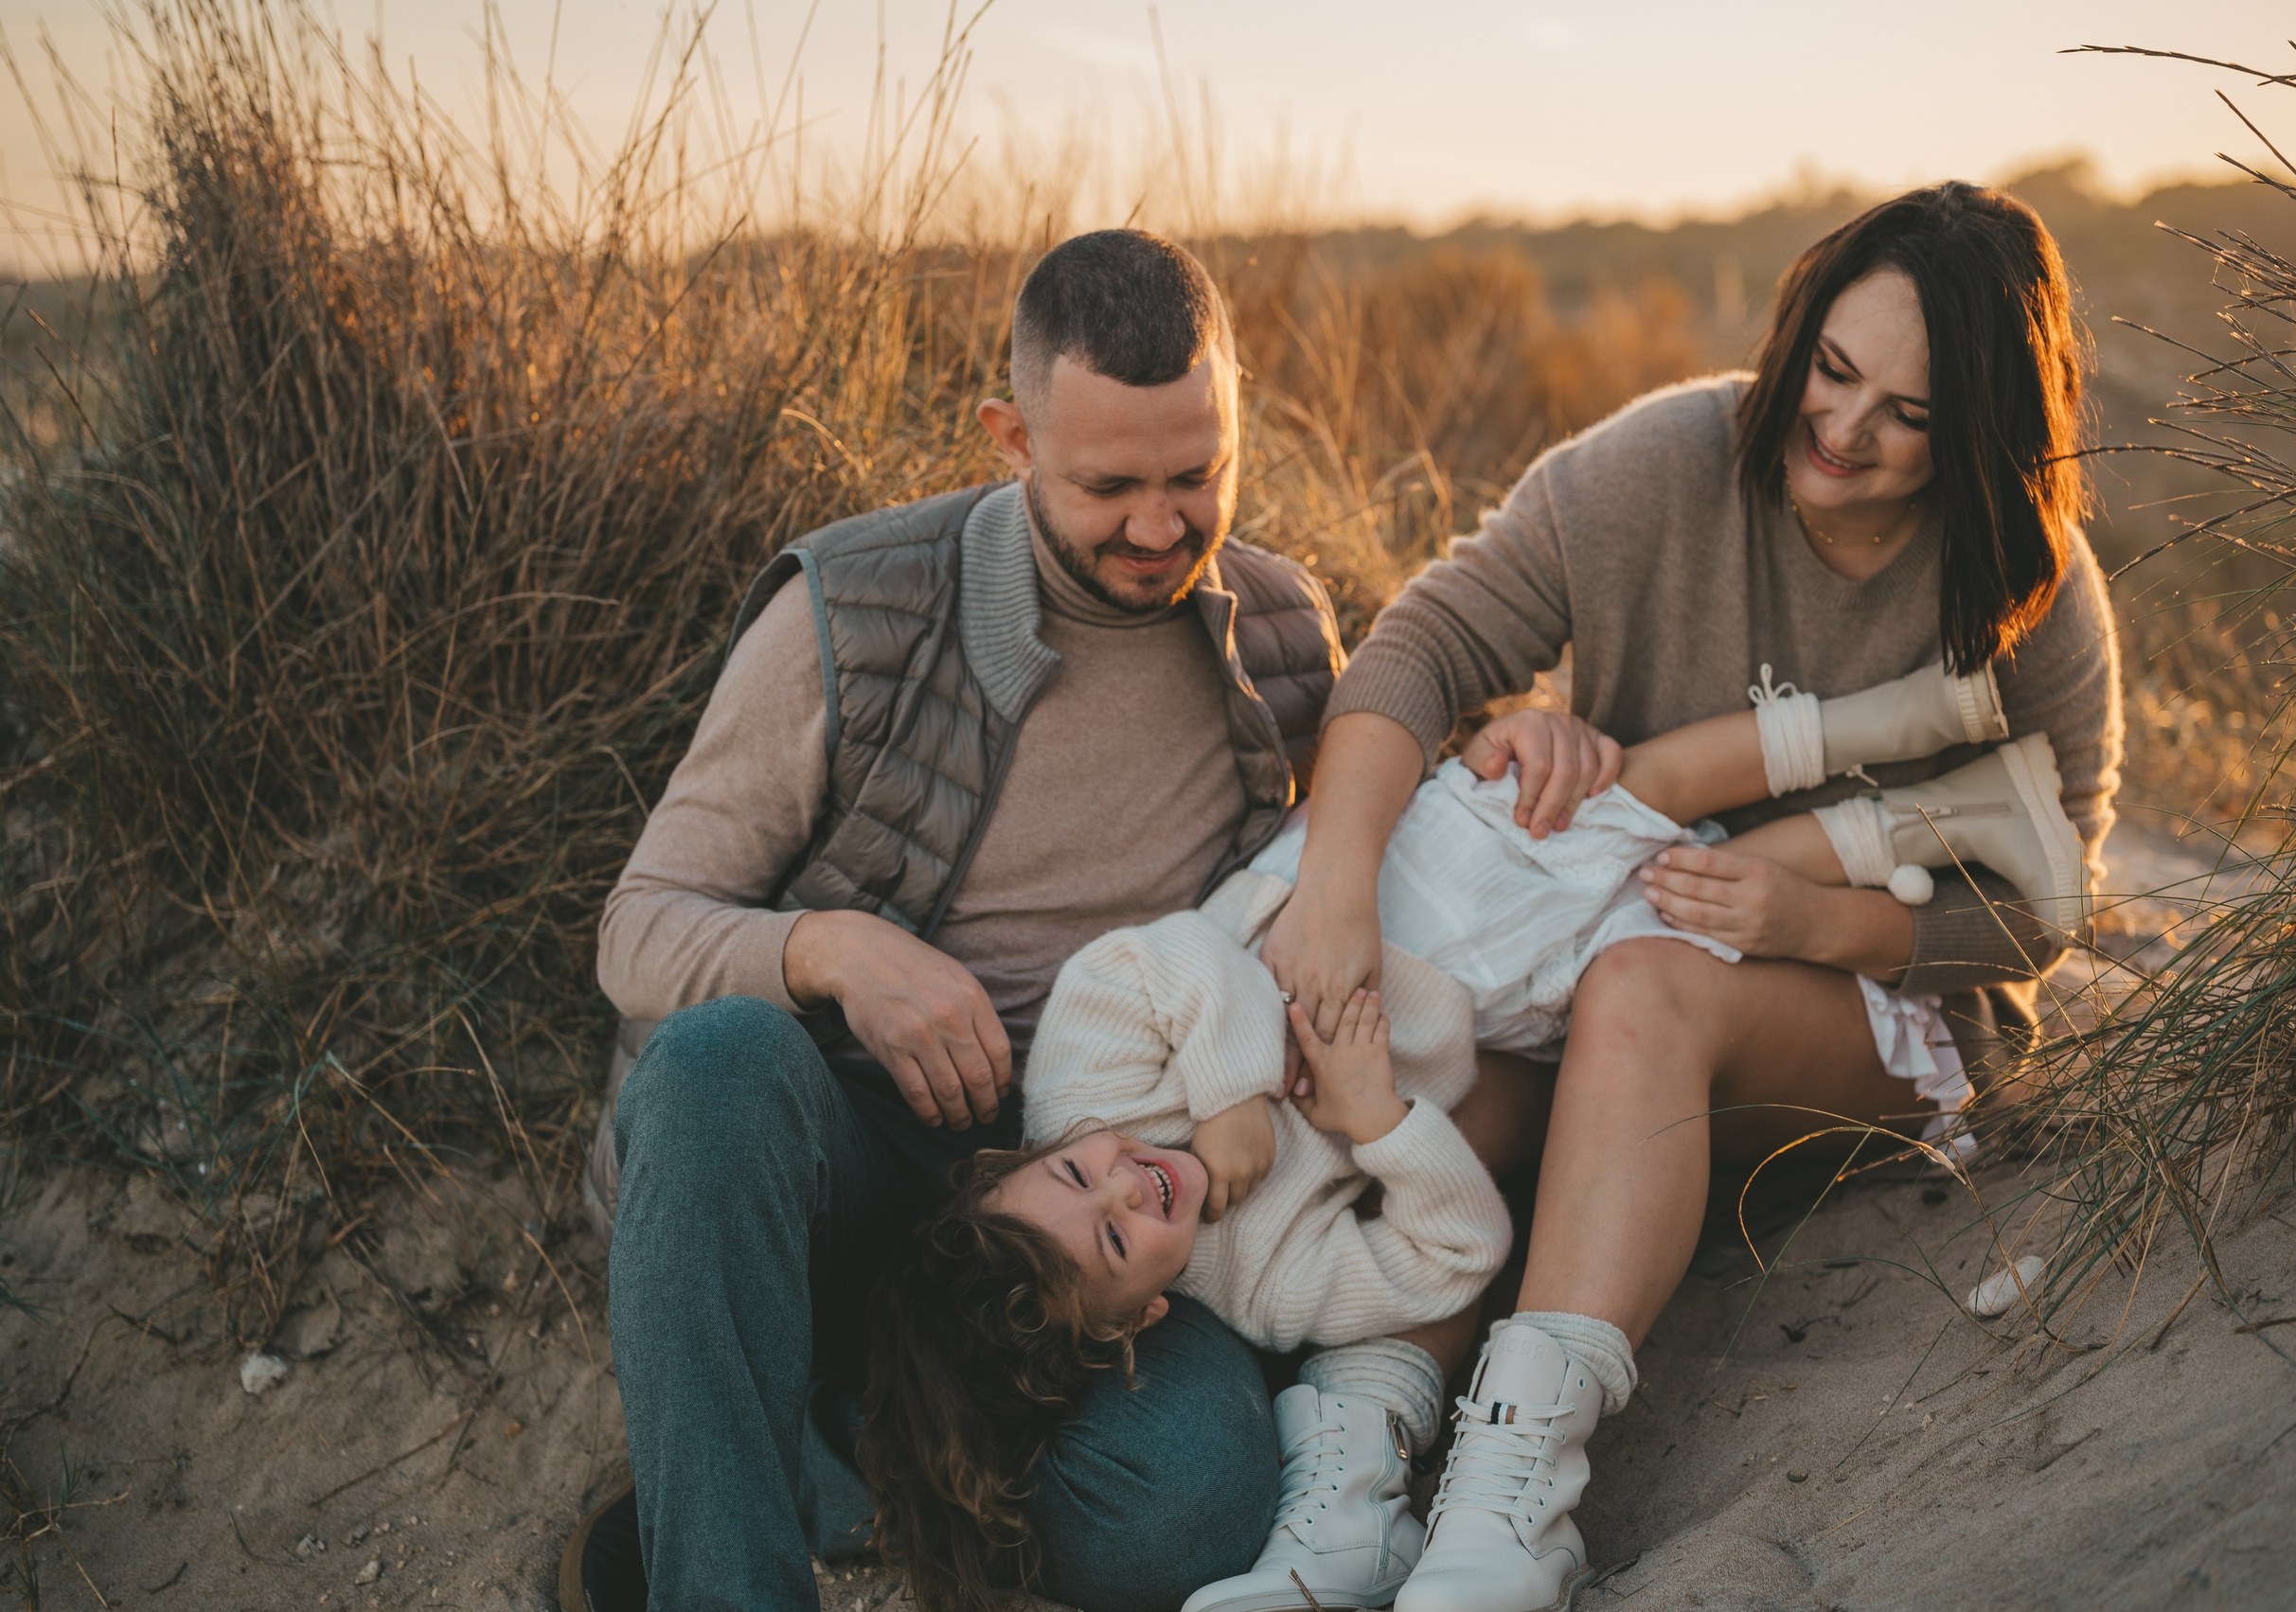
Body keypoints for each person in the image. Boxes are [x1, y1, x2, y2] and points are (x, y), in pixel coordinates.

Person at [1260, 182, 2123, 1612]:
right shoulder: (1664, 462)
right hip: (1605, 953)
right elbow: (1421, 646)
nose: (1842, 429)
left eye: (1909, 415)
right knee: (1440, 1081)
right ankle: (1354, 1489)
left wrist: (1818, 924)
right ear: (1800, 333)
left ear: (1980, 431)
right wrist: (1335, 885)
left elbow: (2053, 899)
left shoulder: (2028, 580)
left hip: (1866, 1016)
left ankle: (1514, 1502)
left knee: (1642, 989)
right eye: (1832, 371)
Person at [850, 648, 2084, 1612]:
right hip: (1495, 1009)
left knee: (1619, 799)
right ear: (1141, 1322)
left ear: (1040, 1149)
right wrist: (1380, 1123)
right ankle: (1962, 809)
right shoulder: (1261, 1289)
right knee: (1678, 901)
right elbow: (1450, 1253)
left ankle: (1909, 716)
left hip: (1403, 897)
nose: (1128, 1182)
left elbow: (1165, 963)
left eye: (1078, 1174)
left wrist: (1231, 1098)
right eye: (1117, 1241)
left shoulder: (1082, 1085)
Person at [565, 228, 1346, 1612]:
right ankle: (736, 1565)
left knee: (1187, 1500)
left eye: (1197, 476)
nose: (1159, 528)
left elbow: (1376, 818)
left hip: (1101, 1225)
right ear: (1012, 438)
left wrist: (1525, 743)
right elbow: (639, 929)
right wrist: (834, 951)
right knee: (710, 1068)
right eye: (1109, 486)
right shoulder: (855, 610)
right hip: (851, 1165)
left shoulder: (1280, 630)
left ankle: (812, 1462)